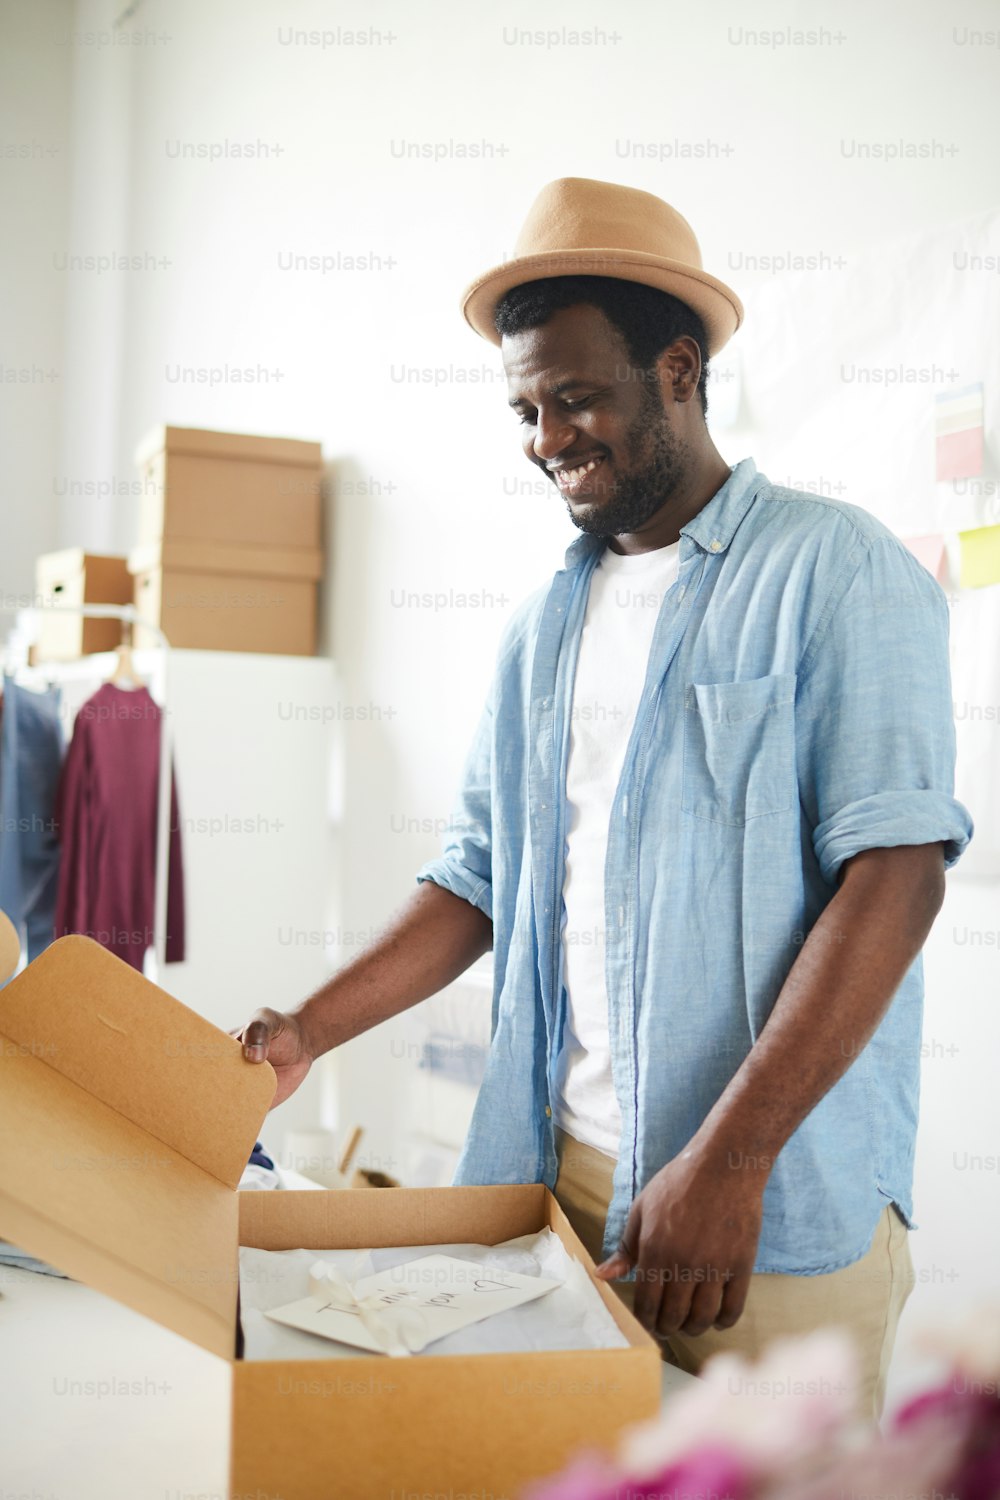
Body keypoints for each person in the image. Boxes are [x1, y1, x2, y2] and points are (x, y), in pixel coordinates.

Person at [235, 178, 973, 1419]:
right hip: (556, 1183)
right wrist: (306, 1031)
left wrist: (728, 1164)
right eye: (525, 408)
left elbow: (895, 877)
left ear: (677, 371)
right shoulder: (543, 630)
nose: (545, 438)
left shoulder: (833, 570)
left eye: (575, 397)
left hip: (768, 1207)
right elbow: (477, 878)